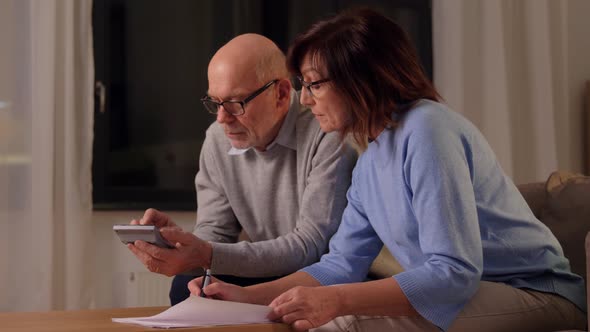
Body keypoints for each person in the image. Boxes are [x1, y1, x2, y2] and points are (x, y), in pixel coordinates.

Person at [187, 9, 587, 332]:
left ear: (359, 80)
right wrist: (245, 297)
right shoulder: (371, 158)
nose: (304, 100)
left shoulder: (427, 129)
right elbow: (338, 266)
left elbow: (453, 272)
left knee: (342, 321)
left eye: (313, 85)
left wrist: (337, 300)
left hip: (535, 292)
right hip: (476, 290)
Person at [127, 33, 357, 305]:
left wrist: (206, 253)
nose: (223, 119)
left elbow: (311, 246)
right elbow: (215, 232)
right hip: (266, 268)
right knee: (188, 288)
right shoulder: (217, 138)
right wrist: (179, 245)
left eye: (235, 103)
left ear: (281, 93)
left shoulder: (326, 133)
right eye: (215, 102)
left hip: (319, 275)